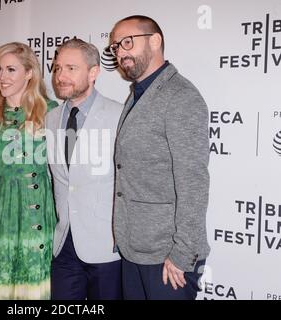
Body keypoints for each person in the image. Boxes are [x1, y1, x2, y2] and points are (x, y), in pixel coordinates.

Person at [110, 15, 210, 300]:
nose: (120, 52)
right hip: (135, 249)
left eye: (127, 42)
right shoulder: (137, 94)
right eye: (116, 46)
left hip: (168, 257)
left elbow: (193, 181)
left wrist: (183, 252)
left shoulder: (180, 96)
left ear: (155, 41)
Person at [0, 42, 57, 300]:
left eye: (11, 69)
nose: (2, 77)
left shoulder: (51, 112)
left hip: (39, 209)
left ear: (29, 73)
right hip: (1, 212)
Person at [46, 38, 123, 300]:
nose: (60, 76)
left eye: (70, 68)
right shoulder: (52, 118)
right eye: (57, 68)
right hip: (64, 243)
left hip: (106, 246)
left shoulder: (119, 115)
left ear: (93, 72)